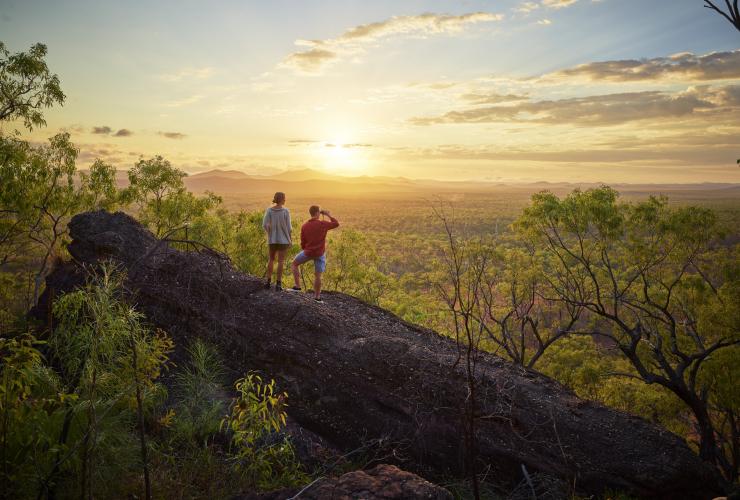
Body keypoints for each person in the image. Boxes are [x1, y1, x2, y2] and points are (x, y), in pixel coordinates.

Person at [290, 205, 339, 303]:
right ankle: (317, 297)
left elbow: (303, 242)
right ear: (317, 213)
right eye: (319, 213)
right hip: (320, 253)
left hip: (308, 252)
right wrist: (328, 215)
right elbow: (336, 223)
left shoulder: (304, 226)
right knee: (318, 276)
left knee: (294, 264)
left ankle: (297, 287)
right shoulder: (322, 224)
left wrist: (306, 250)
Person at [262, 191, 291, 290]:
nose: (285, 200)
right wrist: (289, 240)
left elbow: (265, 225)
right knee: (281, 261)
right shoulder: (286, 211)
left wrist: (270, 233)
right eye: (284, 198)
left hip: (272, 240)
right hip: (283, 240)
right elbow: (289, 228)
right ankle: (278, 284)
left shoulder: (269, 210)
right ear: (282, 199)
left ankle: (268, 282)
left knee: (271, 259)